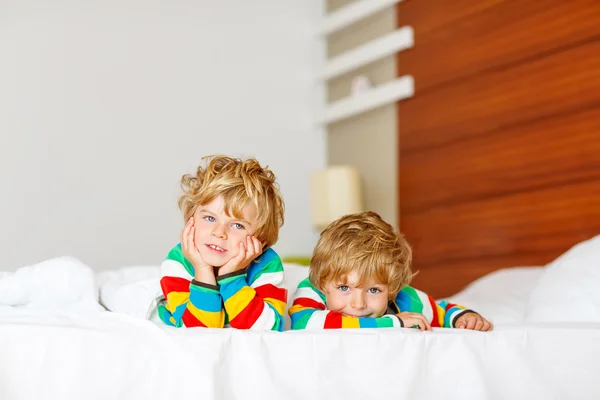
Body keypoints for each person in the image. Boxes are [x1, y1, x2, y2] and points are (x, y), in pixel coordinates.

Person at [289, 211, 493, 331]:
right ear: (323, 283)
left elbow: (441, 310)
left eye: (374, 290)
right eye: (344, 287)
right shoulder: (313, 288)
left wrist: (463, 317)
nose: (358, 304)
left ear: (392, 289)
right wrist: (393, 323)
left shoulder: (404, 300)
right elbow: (304, 323)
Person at [157, 155, 287, 331]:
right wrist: (203, 271)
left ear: (260, 241)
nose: (219, 233)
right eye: (210, 218)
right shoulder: (179, 260)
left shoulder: (266, 265)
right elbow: (197, 331)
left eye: (237, 225)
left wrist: (232, 276)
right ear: (190, 220)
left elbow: (268, 330)